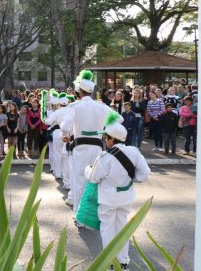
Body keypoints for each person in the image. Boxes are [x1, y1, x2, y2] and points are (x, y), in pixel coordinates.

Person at [86, 111, 150, 269]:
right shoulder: (134, 152)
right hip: (126, 197)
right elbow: (144, 175)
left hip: (108, 199)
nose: (104, 139)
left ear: (112, 139)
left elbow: (93, 178)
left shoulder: (104, 157)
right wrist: (129, 179)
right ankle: (123, 261)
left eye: (105, 137)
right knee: (122, 229)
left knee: (107, 230)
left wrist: (88, 169)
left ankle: (110, 261)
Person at [61, 70, 113, 221]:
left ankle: (79, 216)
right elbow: (119, 119)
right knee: (94, 182)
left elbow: (65, 125)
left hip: (80, 148)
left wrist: (64, 136)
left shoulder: (75, 106)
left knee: (78, 183)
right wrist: (104, 131)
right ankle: (92, 215)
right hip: (97, 148)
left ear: (79, 91)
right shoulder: (101, 106)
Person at [45, 93, 70, 179]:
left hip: (57, 133)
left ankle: (58, 173)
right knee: (66, 154)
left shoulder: (57, 112)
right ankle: (64, 173)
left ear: (59, 104)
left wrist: (46, 117)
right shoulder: (71, 111)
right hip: (68, 133)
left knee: (57, 154)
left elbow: (48, 122)